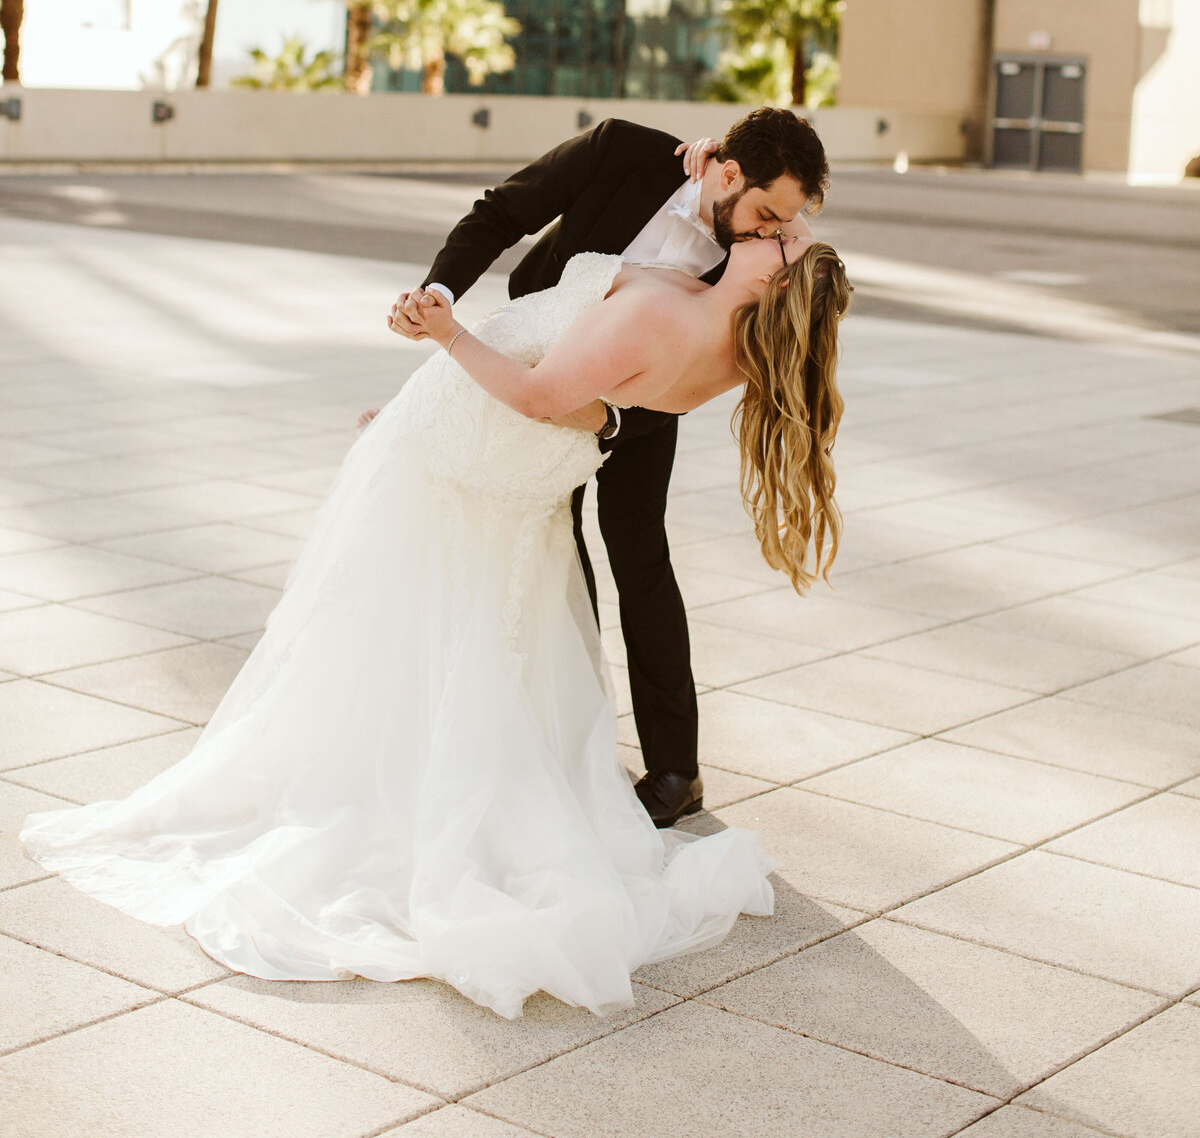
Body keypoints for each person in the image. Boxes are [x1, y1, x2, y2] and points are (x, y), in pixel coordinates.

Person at [22, 225, 850, 1021]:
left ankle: (389, 787)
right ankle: (433, 767)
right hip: (514, 463)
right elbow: (606, 408)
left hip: (484, 442)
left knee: (394, 615)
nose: (790, 223)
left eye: (789, 236)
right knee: (469, 624)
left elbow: (537, 394)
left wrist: (449, 339)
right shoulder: (732, 347)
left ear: (775, 276)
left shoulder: (666, 314)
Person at [390, 106, 829, 828]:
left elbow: (803, 252)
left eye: (783, 223)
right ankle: (575, 730)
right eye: (766, 213)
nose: (772, 234)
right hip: (545, 366)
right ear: (726, 174)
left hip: (646, 409)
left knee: (639, 558)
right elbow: (503, 211)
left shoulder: (760, 239)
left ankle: (676, 771)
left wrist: (615, 420)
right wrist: (440, 292)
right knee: (551, 549)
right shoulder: (623, 150)